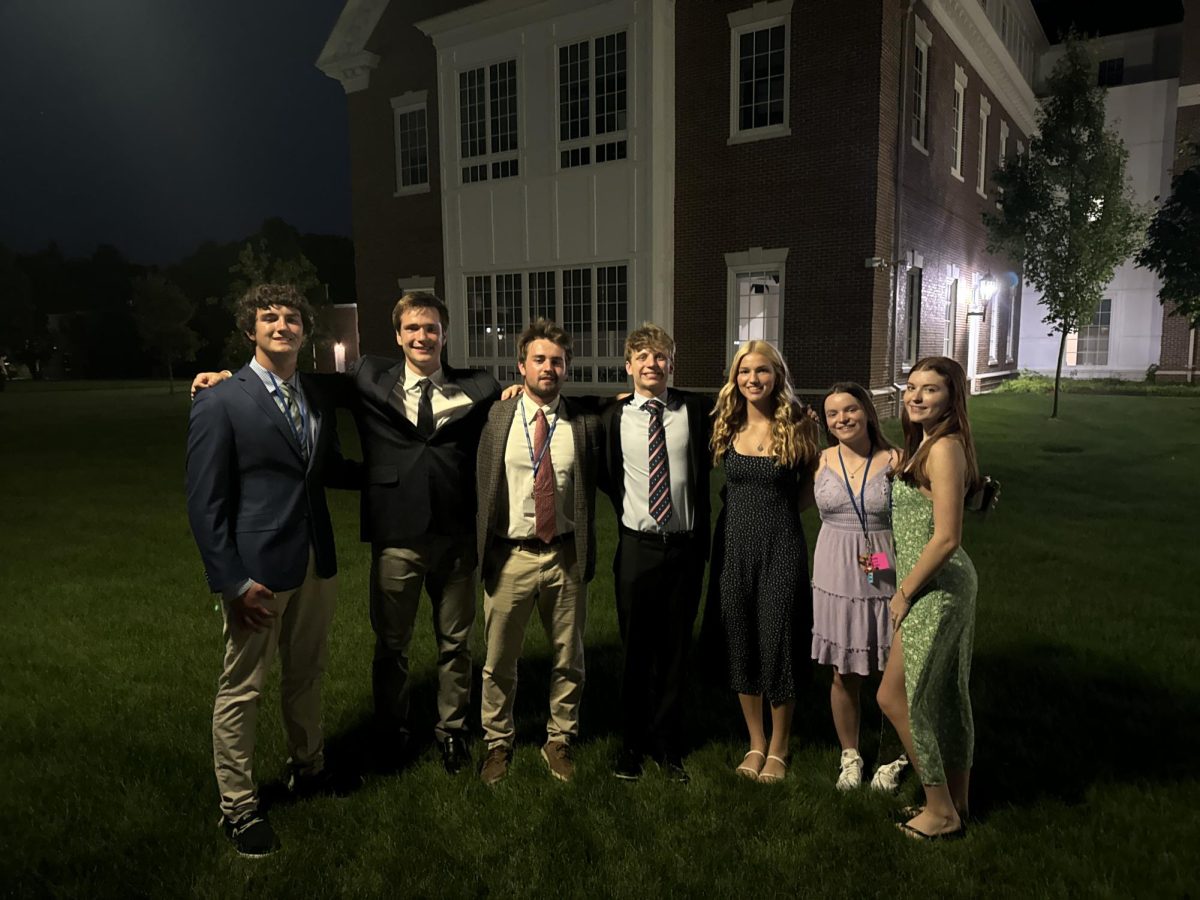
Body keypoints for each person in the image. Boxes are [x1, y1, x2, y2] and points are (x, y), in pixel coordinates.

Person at [194, 291, 500, 774]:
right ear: (398, 335)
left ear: (446, 334)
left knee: (455, 644)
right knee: (392, 644)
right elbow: (295, 381)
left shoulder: (481, 387)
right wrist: (229, 377)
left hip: (457, 536)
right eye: (413, 328)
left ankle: (452, 731)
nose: (423, 336)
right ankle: (392, 729)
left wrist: (522, 390)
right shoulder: (368, 378)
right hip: (396, 534)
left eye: (432, 328)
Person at [185, 284, 359, 857]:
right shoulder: (221, 400)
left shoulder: (312, 395)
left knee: (307, 674)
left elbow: (326, 467)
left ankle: (308, 768)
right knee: (242, 688)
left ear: (305, 331)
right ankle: (236, 807)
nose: (281, 326)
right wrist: (231, 582)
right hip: (257, 572)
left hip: (315, 561)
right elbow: (205, 503)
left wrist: (397, 479)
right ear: (250, 331)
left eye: (291, 318)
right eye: (269, 318)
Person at [474, 319, 602, 785]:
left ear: (567, 368)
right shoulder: (496, 417)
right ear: (521, 366)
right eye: (540, 359)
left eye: (557, 361)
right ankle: (497, 742)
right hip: (511, 556)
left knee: (569, 656)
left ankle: (559, 739)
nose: (549, 368)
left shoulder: (583, 422)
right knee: (498, 660)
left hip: (565, 556)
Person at [601, 324, 712, 783]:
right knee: (635, 651)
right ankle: (631, 744)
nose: (652, 364)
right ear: (628, 366)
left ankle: (668, 745)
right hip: (637, 549)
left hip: (683, 550)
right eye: (643, 357)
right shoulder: (613, 418)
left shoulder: (697, 410)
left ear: (671, 364)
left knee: (674, 651)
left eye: (661, 356)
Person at [706, 340, 820, 784]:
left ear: (778, 376)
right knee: (741, 638)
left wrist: (785, 511)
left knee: (778, 641)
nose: (752, 379)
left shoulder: (798, 426)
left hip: (780, 547)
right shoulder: (726, 424)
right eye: (744, 372)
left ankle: (780, 745)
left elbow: (816, 485)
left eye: (762, 371)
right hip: (733, 547)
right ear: (735, 379)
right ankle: (755, 740)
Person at [877, 356, 980, 841]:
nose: (915, 396)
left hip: (937, 586)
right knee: (940, 696)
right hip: (932, 582)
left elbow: (946, 538)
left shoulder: (943, 449)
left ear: (952, 398)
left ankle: (940, 810)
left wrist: (902, 593)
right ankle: (956, 801)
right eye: (912, 387)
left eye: (930, 390)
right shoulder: (929, 445)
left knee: (902, 698)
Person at [811, 382, 909, 791]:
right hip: (834, 573)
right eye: (833, 414)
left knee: (894, 676)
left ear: (867, 411)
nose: (842, 419)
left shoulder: (898, 460)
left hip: (886, 573)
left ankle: (895, 756)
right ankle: (849, 755)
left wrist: (884, 562)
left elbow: (918, 531)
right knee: (842, 671)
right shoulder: (819, 460)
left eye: (850, 410)